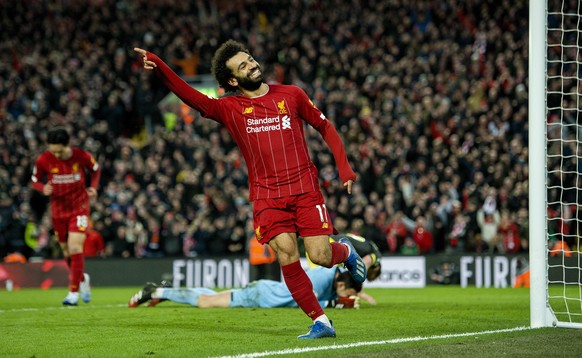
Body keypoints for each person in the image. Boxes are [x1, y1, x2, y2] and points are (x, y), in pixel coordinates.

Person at [134, 40, 366, 339]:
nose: (252, 65)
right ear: (232, 80)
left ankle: (345, 251)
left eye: (251, 60)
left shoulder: (291, 94)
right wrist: (161, 66)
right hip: (267, 196)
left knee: (320, 256)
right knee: (286, 254)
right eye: (242, 66)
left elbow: (325, 127)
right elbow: (189, 96)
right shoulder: (230, 108)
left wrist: (344, 166)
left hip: (304, 188)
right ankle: (321, 321)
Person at [30, 127, 101, 305]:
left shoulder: (81, 156)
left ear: (67, 145)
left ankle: (73, 293)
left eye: (59, 151)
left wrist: (93, 186)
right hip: (58, 211)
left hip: (79, 207)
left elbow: (96, 169)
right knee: (67, 252)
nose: (57, 154)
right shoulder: (44, 159)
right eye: (53, 150)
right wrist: (42, 188)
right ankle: (82, 279)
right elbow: (34, 180)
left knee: (75, 247)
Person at [128, 266, 362, 310]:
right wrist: (337, 303)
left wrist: (347, 299)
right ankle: (157, 291)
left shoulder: (333, 278)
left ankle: (168, 289)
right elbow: (304, 299)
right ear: (341, 285)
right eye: (348, 292)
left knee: (211, 296)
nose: (347, 296)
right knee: (205, 302)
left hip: (265, 292)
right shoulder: (322, 276)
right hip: (261, 297)